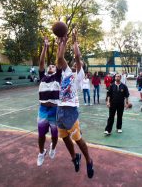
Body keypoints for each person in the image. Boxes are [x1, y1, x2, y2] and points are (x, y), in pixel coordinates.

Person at [56, 29, 94, 178]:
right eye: (77, 62)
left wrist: (74, 40)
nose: (78, 62)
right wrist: (63, 42)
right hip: (60, 109)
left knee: (77, 139)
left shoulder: (79, 75)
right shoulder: (66, 72)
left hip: (71, 111)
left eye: (80, 63)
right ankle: (74, 158)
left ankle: (89, 160)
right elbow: (60, 58)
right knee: (64, 138)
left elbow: (77, 56)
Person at [36, 36, 62, 166]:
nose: (51, 66)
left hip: (55, 109)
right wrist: (45, 47)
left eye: (53, 66)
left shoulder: (57, 77)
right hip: (43, 109)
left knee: (55, 135)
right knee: (41, 135)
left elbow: (59, 60)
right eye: (50, 65)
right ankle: (41, 152)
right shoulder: (43, 77)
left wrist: (58, 45)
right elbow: (41, 62)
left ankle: (53, 147)